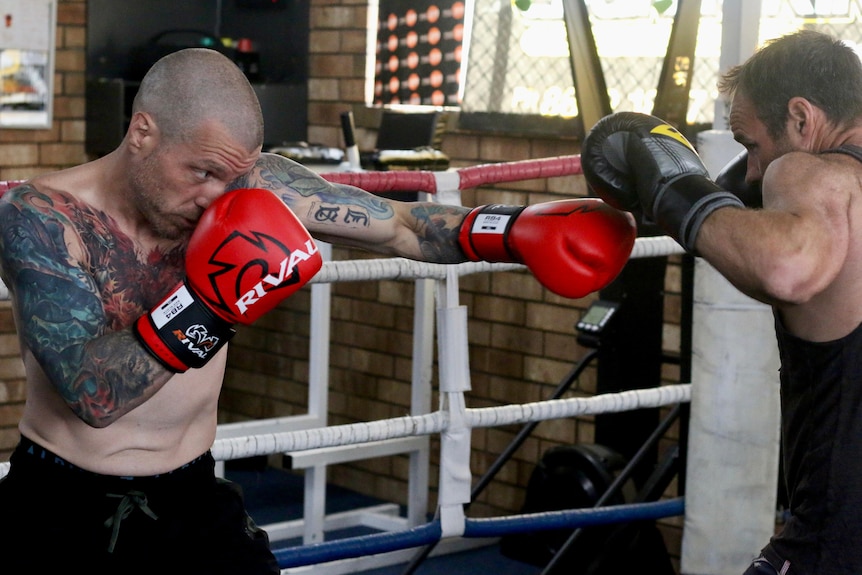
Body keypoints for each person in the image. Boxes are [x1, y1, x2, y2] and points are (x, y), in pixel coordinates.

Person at [0, 48, 636, 574]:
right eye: (201, 172)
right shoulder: (44, 219)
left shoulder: (259, 186)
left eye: (234, 177)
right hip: (63, 502)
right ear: (143, 132)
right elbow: (92, 394)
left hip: (190, 492)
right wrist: (215, 301)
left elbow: (404, 229)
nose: (216, 198)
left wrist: (512, 230)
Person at [581, 29, 862, 575]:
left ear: (802, 120)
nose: (754, 170)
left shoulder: (813, 172)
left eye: (751, 145)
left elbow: (788, 268)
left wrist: (673, 189)